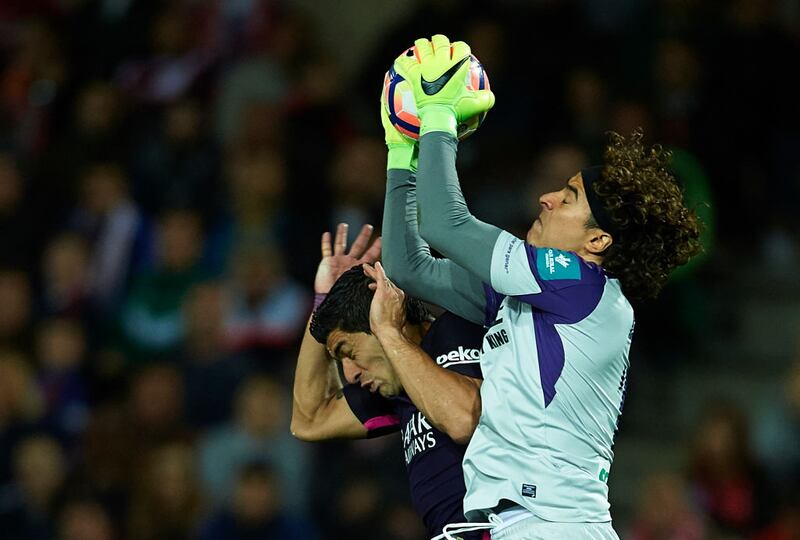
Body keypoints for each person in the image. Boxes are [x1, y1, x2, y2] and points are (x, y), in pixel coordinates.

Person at [383, 34, 702, 539]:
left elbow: (445, 224)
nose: (547, 197)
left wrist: (439, 114)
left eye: (569, 197)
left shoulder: (580, 285)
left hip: (553, 526)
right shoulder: (534, 296)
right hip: (522, 524)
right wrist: (402, 153)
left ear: (598, 239)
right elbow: (409, 268)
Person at [290, 223, 488, 539]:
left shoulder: (460, 330)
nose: (350, 374)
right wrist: (325, 303)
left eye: (347, 351)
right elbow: (309, 420)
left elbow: (464, 419)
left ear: (380, 313)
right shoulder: (398, 389)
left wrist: (387, 331)